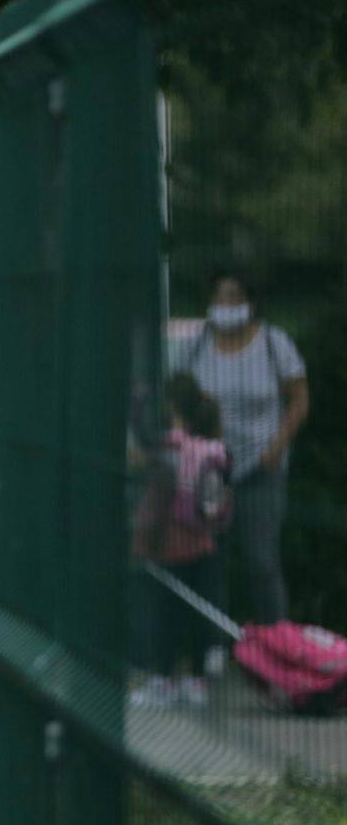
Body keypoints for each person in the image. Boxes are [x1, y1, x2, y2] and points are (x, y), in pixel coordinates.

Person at [170, 275, 308, 624]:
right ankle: (213, 647)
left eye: (233, 297)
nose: (225, 305)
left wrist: (277, 447)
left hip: (261, 464)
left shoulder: (274, 344)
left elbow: (298, 399)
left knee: (261, 561)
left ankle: (277, 643)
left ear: (251, 302)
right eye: (218, 297)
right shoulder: (197, 345)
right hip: (209, 468)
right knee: (209, 559)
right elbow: (178, 399)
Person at [129, 374, 231, 707]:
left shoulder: (172, 445)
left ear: (173, 408)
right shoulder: (214, 448)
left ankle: (164, 679)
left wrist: (137, 405)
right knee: (198, 613)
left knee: (166, 615)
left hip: (170, 546)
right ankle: (197, 680)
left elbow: (143, 450)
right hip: (204, 543)